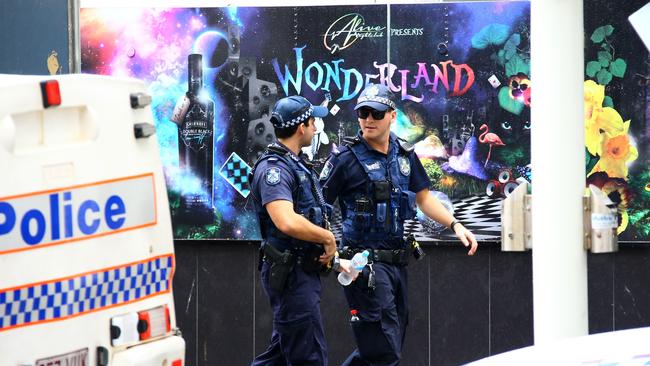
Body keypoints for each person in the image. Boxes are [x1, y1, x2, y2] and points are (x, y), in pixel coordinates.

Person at [320, 84, 479, 365]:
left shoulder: (404, 154)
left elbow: (423, 199)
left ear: (391, 116)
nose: (368, 119)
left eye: (375, 113)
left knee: (383, 346)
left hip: (396, 264)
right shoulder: (345, 159)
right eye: (362, 113)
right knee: (384, 352)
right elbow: (319, 206)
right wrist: (330, 252)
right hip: (363, 266)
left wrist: (455, 225)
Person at [250, 95, 352, 366]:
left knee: (281, 355)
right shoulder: (275, 169)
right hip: (291, 276)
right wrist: (328, 238)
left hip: (301, 272)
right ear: (301, 128)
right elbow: (286, 221)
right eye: (312, 121)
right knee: (309, 357)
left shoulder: (295, 164)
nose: (316, 127)